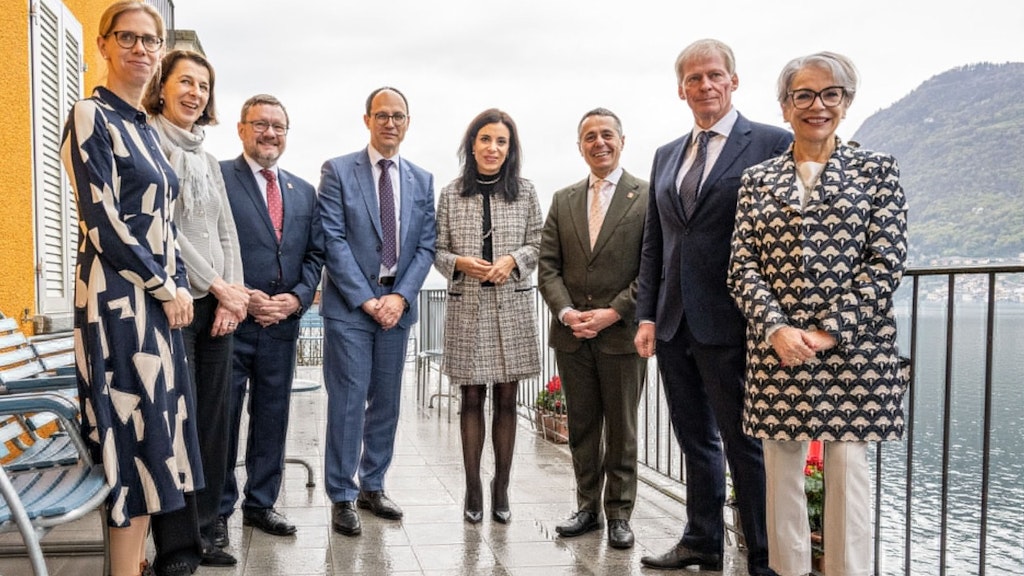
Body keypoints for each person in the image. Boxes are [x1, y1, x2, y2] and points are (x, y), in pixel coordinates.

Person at [728, 51, 908, 576]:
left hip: (854, 350)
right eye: (802, 95)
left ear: (846, 103)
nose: (817, 105)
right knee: (781, 478)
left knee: (849, 475)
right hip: (777, 350)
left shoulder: (878, 171)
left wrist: (828, 332)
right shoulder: (756, 180)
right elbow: (742, 266)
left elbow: (886, 261)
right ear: (785, 107)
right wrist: (778, 328)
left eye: (830, 94)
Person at [634, 39, 792, 575]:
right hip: (675, 324)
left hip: (737, 322)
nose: (705, 85)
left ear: (734, 81)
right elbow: (655, 243)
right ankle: (702, 539)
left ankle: (765, 556)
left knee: (746, 445)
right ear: (681, 88)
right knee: (694, 439)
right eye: (694, 78)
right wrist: (648, 315)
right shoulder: (666, 154)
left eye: (714, 75)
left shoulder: (772, 143)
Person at [60, 2, 203, 575]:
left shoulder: (142, 126)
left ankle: (134, 567)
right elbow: (103, 222)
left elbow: (163, 225)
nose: (141, 49)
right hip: (117, 305)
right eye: (129, 37)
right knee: (128, 444)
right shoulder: (91, 115)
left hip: (154, 306)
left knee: (152, 450)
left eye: (151, 40)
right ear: (103, 44)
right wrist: (167, 287)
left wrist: (177, 287)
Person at [143, 49, 248, 569]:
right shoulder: (147, 142)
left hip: (219, 306)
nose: (195, 94)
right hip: (176, 304)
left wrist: (237, 295)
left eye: (203, 86)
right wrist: (217, 286)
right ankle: (177, 546)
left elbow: (225, 228)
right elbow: (167, 232)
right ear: (162, 87)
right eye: (186, 82)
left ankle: (208, 533)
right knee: (177, 426)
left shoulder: (207, 157)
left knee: (214, 422)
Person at [317, 87, 436, 536]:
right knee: (348, 402)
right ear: (367, 119)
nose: (390, 122)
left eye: (399, 116)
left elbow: (425, 245)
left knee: (386, 402)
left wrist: (401, 297)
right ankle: (342, 495)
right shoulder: (338, 170)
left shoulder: (422, 180)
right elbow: (332, 238)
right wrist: (367, 299)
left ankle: (373, 485)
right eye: (382, 115)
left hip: (397, 306)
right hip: (352, 307)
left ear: (408, 122)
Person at [538, 108, 647, 549]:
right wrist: (567, 313)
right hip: (572, 335)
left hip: (621, 335)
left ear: (622, 140)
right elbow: (548, 267)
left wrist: (613, 312)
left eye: (606, 135)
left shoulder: (647, 196)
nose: (598, 142)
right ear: (579, 145)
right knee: (582, 427)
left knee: (622, 430)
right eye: (589, 136)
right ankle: (587, 508)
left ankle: (620, 514)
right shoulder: (563, 199)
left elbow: (651, 269)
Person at [219, 94, 324, 541]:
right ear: (241, 129)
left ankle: (261, 504)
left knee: (272, 417)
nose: (269, 133)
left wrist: (297, 299)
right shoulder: (220, 177)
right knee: (222, 420)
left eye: (278, 126)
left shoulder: (303, 190)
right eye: (260, 124)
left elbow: (315, 255)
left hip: (282, 326)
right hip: (229, 322)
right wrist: (241, 295)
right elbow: (207, 242)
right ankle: (217, 513)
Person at [434, 108, 542, 525]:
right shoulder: (451, 193)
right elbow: (437, 250)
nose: (493, 148)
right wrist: (460, 262)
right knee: (471, 399)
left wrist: (513, 259)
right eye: (485, 140)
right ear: (472, 145)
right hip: (468, 307)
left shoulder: (526, 192)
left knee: (507, 399)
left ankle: (502, 486)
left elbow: (537, 242)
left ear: (510, 148)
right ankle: (473, 485)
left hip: (511, 305)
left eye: (501, 141)